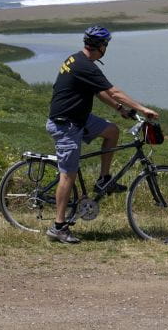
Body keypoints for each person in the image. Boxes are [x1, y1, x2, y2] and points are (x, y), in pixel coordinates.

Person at [44, 25, 158, 244]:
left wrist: (120, 110)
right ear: (100, 46)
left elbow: (100, 92)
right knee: (69, 175)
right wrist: (142, 109)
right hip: (66, 124)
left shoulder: (77, 60)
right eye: (106, 44)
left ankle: (104, 180)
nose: (107, 47)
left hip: (79, 118)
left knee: (112, 131)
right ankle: (58, 227)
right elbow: (114, 91)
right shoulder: (86, 66)